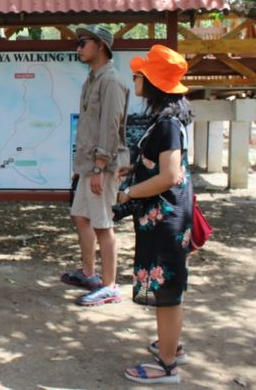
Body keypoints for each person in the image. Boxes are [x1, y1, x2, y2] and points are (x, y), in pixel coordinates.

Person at [120, 45, 193, 384]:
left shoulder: (166, 124)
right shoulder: (167, 121)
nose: (135, 76)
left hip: (164, 219)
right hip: (166, 217)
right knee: (169, 287)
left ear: (152, 82)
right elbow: (159, 167)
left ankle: (166, 366)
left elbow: (169, 176)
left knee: (166, 291)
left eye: (140, 73)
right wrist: (134, 169)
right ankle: (170, 345)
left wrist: (130, 192)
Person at [60, 25, 130, 306]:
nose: (78, 48)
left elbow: (110, 126)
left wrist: (100, 166)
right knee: (80, 215)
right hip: (89, 165)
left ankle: (110, 286)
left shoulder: (111, 81)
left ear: (99, 45)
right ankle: (89, 273)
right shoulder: (93, 79)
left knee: (103, 225)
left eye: (82, 43)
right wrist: (82, 165)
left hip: (103, 166)